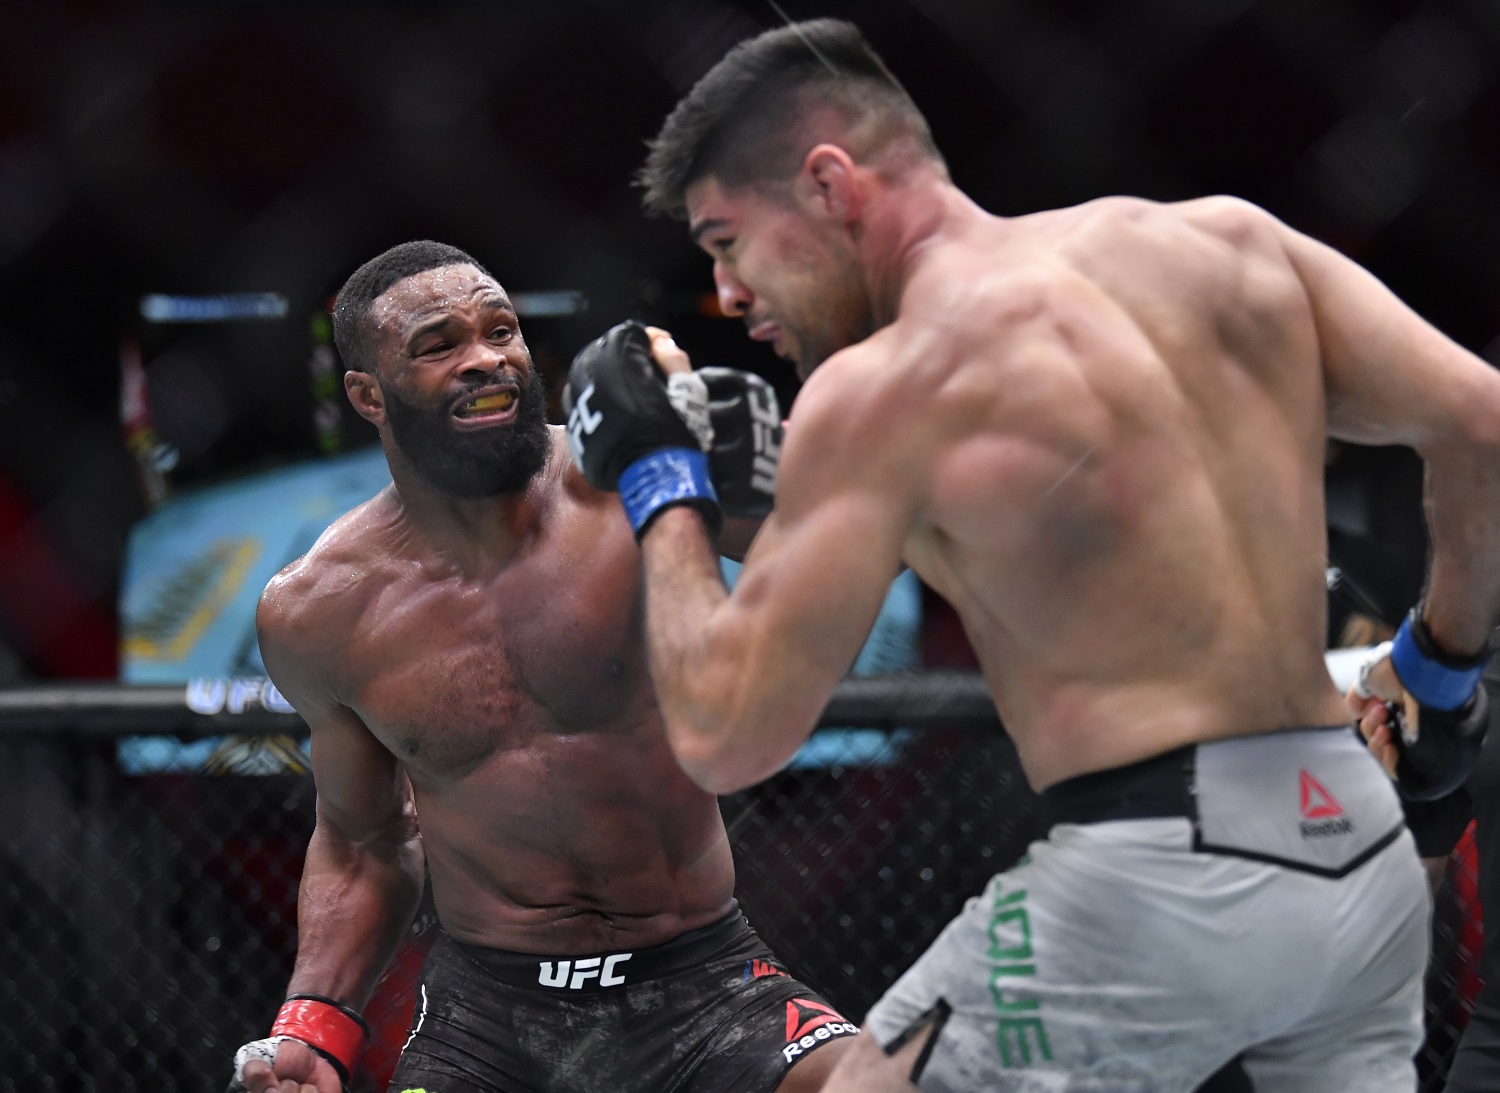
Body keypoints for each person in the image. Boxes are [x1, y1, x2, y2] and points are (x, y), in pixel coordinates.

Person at [561, 19, 1500, 1093]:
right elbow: (1480, 422)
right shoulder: (1230, 245)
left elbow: (728, 737)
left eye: (727, 240)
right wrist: (1439, 666)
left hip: (1158, 873)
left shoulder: (887, 389)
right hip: (1357, 855)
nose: (727, 294)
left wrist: (659, 478)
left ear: (829, 183)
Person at [228, 240, 855, 1093]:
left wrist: (787, 462)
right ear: (368, 396)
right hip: (488, 1019)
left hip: (707, 983)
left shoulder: (626, 480)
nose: (485, 359)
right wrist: (313, 1023)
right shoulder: (319, 609)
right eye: (438, 343)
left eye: (501, 329)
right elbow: (365, 837)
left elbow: (850, 543)